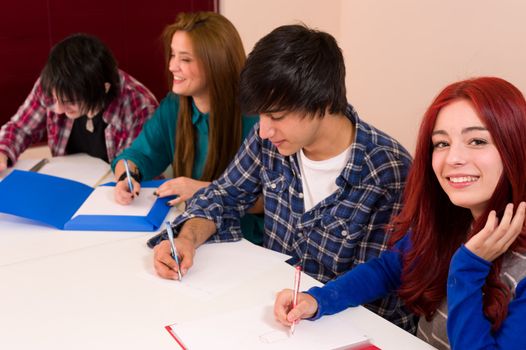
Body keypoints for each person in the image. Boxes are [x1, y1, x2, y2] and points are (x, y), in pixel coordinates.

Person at [151, 24, 415, 331]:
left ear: (325, 103)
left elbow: (379, 290)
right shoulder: (270, 141)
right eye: (261, 116)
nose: (263, 130)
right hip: (271, 319)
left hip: (339, 329)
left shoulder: (387, 170)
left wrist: (314, 305)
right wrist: (186, 239)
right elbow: (225, 196)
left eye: (276, 116)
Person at [274, 77, 526, 349]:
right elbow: (388, 269)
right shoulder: (458, 218)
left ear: (515, 145)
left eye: (476, 141)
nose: (453, 158)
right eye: (441, 143)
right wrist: (319, 300)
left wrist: (468, 267)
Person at [112, 12, 263, 245]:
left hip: (245, 244)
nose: (172, 66)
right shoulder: (173, 106)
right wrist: (127, 176)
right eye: (172, 55)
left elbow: (271, 199)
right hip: (194, 238)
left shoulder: (256, 119)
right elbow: (138, 155)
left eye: (185, 59)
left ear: (216, 63)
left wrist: (203, 190)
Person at [0, 33, 158, 169]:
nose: (59, 109)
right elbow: (21, 128)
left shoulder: (139, 107)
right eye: (55, 99)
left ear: (103, 88)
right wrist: (3, 151)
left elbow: (137, 169)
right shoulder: (53, 84)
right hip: (70, 182)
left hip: (113, 192)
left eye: (69, 101)